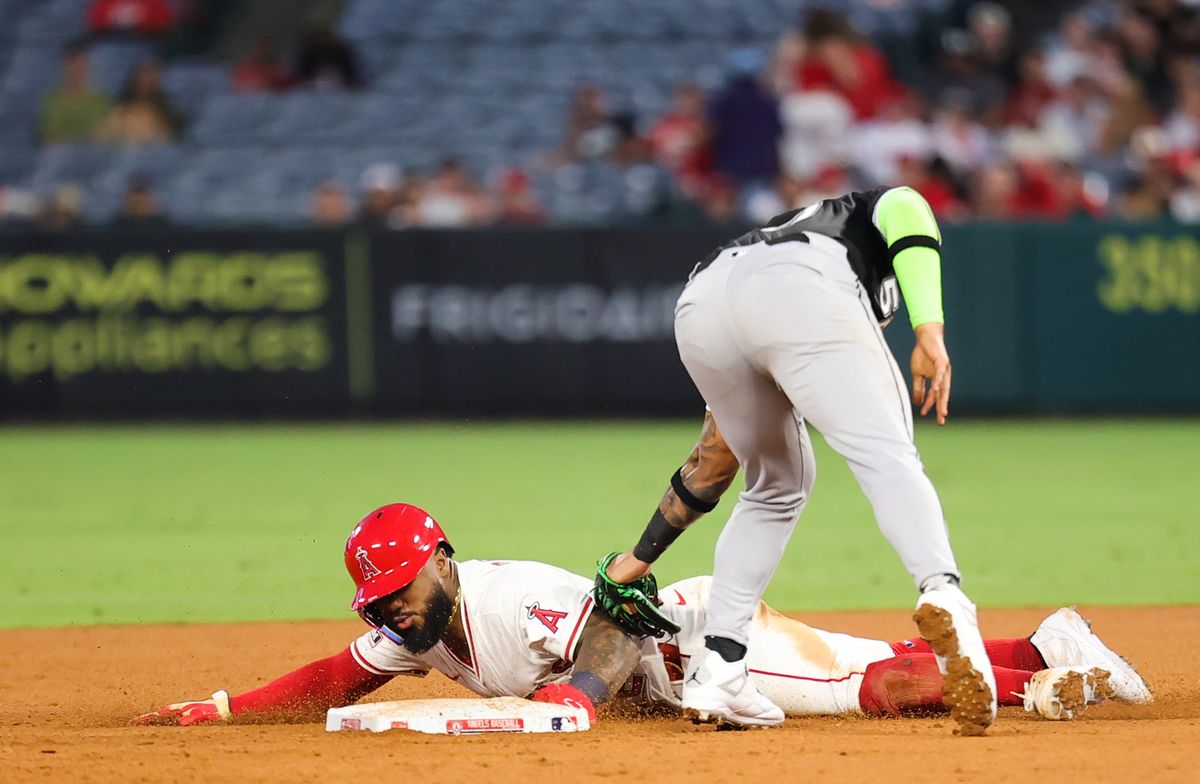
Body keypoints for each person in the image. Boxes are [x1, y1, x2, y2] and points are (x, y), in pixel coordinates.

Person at [132, 504, 1152, 728]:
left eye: (400, 588)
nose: (391, 609)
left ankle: (1046, 684)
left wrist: (576, 695)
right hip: (670, 671)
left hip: (690, 645)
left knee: (880, 688)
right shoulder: (415, 632)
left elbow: (613, 636)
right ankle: (1043, 641)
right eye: (379, 599)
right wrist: (222, 708)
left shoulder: (495, 596)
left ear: (438, 562)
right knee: (864, 658)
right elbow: (334, 676)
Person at [599, 186, 999, 734]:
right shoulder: (858, 214)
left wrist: (641, 555)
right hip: (803, 283)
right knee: (887, 457)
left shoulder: (764, 244)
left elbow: (714, 462)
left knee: (774, 486)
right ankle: (944, 594)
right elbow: (907, 203)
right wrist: (930, 329)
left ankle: (719, 667)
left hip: (702, 300)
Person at [39, 43, 112, 144]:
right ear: (64, 67)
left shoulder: (101, 101)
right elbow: (50, 138)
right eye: (72, 64)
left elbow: (104, 136)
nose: (77, 70)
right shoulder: (51, 102)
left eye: (81, 64)